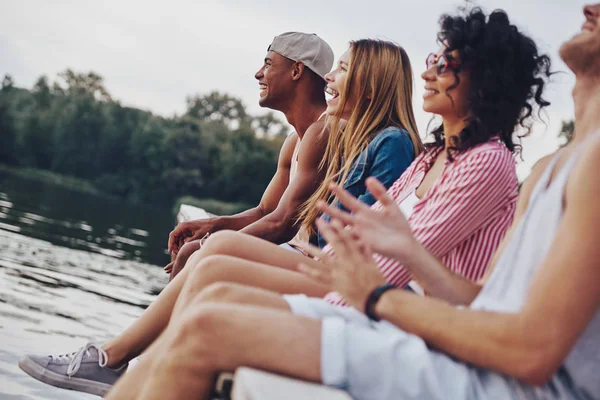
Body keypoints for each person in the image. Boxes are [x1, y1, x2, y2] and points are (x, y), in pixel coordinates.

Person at [97, 5, 600, 400]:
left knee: (211, 318)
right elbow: (483, 300)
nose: (429, 72)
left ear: (485, 79)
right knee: (213, 302)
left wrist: (373, 298)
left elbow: (530, 350)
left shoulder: (498, 164)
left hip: (479, 373)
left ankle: (110, 361)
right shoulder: (546, 168)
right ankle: (113, 363)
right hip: (439, 338)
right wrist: (405, 260)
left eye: (445, 61)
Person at [17, 38, 423, 397]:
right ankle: (130, 363)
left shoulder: (377, 140)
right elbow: (273, 211)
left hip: (336, 272)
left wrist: (220, 234)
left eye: (344, 68)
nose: (333, 76)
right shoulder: (362, 138)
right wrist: (212, 226)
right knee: (214, 247)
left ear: (369, 82)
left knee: (217, 250)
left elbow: (304, 225)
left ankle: (118, 360)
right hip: (321, 259)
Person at [164, 31, 334, 276]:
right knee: (192, 251)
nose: (258, 74)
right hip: (292, 253)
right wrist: (213, 225)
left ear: (297, 71)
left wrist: (208, 246)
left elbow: (283, 224)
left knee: (195, 254)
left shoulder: (323, 131)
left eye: (268, 63)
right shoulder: (294, 141)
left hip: (313, 265)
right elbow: (265, 211)